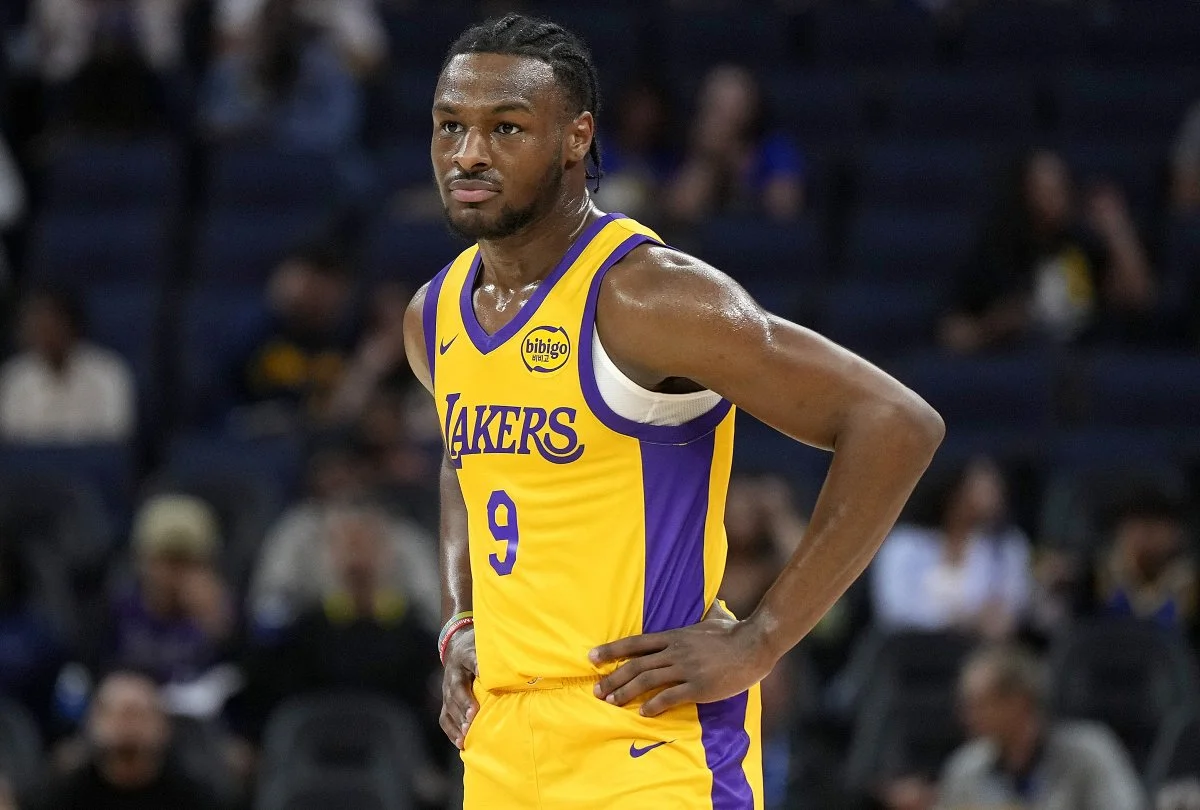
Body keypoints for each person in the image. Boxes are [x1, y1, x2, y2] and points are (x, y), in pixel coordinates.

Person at [401, 14, 944, 808]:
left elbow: (895, 423)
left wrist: (760, 639)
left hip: (652, 741)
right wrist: (461, 620)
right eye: (450, 125)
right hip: (502, 740)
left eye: (506, 128)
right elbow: (465, 461)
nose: (469, 153)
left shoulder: (648, 295)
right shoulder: (434, 314)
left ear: (576, 138)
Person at [941, 149, 1156, 353]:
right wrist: (993, 326)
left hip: (1083, 361)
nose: (1057, 197)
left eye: (1061, 186)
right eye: (1046, 189)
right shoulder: (995, 256)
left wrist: (1117, 230)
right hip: (1018, 364)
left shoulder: (1084, 246)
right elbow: (951, 334)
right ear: (1023, 192)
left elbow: (1138, 298)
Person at [936, 644, 1146, 810]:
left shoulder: (1090, 752)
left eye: (979, 705)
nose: (966, 716)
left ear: (1020, 702)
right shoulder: (965, 768)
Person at [871, 458, 1032, 640]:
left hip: (977, 646)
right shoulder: (905, 544)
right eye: (981, 490)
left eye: (995, 489)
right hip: (911, 646)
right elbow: (894, 608)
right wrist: (960, 618)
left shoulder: (1006, 546)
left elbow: (1014, 606)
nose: (992, 498)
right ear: (955, 494)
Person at [103, 496, 236, 717]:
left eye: (189, 562)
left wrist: (221, 629)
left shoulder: (227, 614)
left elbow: (243, 685)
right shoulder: (117, 610)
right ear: (142, 560)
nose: (176, 574)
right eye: (167, 560)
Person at [23, 671, 225, 810]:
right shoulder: (61, 795)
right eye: (115, 713)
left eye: (138, 714)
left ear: (164, 725)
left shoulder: (194, 797)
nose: (127, 726)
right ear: (91, 723)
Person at [249, 495, 438, 636]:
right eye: (348, 543)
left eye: (369, 542)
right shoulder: (302, 628)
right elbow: (266, 625)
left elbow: (438, 626)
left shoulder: (415, 630)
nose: (357, 554)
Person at [199, 0, 363, 150]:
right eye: (271, 24)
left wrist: (275, 128)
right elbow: (213, 122)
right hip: (246, 156)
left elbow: (335, 130)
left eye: (283, 26)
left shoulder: (324, 68)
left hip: (308, 158)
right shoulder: (232, 68)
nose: (276, 31)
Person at [232, 244, 355, 433]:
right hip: (251, 435)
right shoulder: (254, 332)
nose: (317, 297)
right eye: (310, 285)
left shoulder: (347, 338)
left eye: (327, 288)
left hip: (317, 437)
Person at [664, 63, 805, 223]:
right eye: (715, 102)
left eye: (732, 102)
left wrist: (734, 162)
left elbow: (784, 208)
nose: (724, 113)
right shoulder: (694, 149)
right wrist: (706, 160)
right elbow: (679, 211)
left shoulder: (775, 147)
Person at [0, 286, 135, 443]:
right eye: (36, 325)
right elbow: (11, 442)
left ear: (70, 324)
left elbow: (116, 437)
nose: (44, 333)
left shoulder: (108, 372)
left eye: (50, 324)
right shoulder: (14, 378)